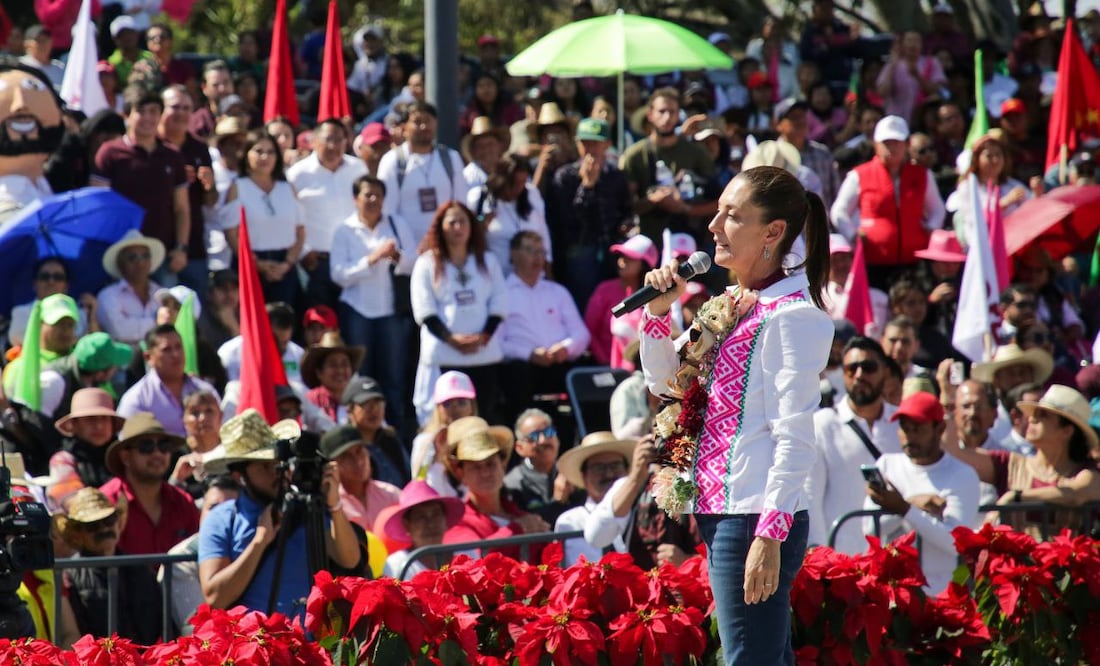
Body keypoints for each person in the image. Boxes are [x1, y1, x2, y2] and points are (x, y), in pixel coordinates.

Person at [639, 165, 832, 665]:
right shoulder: (733, 304)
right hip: (726, 511)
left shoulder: (793, 317)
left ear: (772, 232)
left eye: (732, 215)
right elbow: (664, 383)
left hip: (753, 515)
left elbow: (795, 436)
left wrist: (770, 533)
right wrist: (658, 312)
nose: (713, 226)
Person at [198, 410, 360, 620]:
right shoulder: (221, 519)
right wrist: (260, 541)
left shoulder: (306, 505)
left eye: (277, 462)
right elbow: (214, 597)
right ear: (239, 476)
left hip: (308, 638)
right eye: (264, 466)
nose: (275, 471)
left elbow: (349, 559)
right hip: (254, 638)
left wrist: (334, 505)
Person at [862, 391, 979, 594]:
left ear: (940, 429)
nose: (909, 435)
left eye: (917, 428)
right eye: (904, 428)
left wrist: (904, 508)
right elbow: (871, 530)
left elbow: (954, 542)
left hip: (940, 593)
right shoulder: (886, 464)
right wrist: (912, 504)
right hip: (891, 592)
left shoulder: (963, 474)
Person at [945, 385, 1100, 538]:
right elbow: (953, 452)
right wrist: (947, 406)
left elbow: (1077, 494)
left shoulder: (1086, 473)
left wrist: (1017, 497)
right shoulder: (1009, 464)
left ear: (1067, 431)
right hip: (1014, 556)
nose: (1031, 419)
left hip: (1067, 556)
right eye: (1033, 414)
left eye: (1043, 415)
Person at [330, 175, 416, 428]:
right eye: (367, 194)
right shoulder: (344, 230)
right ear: (355, 199)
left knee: (394, 377)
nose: (373, 200)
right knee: (361, 377)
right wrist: (371, 259)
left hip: (391, 311)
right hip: (358, 311)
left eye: (378, 195)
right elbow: (338, 275)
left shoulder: (396, 224)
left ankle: (395, 433)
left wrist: (396, 256)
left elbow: (414, 264)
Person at [410, 201, 507, 424]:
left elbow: (499, 301)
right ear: (440, 227)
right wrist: (451, 339)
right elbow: (424, 309)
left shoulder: (487, 261)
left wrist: (484, 336)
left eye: (462, 221)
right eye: (452, 222)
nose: (458, 227)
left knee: (483, 419)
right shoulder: (426, 263)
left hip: (483, 355)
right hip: (445, 355)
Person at [806, 336, 902, 552]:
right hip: (842, 559)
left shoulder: (903, 424)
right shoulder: (822, 424)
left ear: (885, 371)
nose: (859, 375)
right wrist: (818, 554)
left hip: (895, 557)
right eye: (851, 369)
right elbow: (810, 496)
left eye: (868, 367)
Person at [830, 115, 945, 288]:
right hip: (873, 261)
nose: (892, 148)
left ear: (907, 144)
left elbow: (937, 209)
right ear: (876, 145)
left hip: (914, 260)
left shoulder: (922, 175)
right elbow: (839, 211)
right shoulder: (859, 175)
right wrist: (853, 235)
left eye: (897, 142)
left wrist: (931, 227)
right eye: (886, 143)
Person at [92, 85, 190, 287]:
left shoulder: (173, 156)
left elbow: (181, 208)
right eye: (141, 111)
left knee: (167, 306)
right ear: (126, 115)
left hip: (162, 256)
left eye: (153, 111)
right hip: (119, 255)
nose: (148, 118)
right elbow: (100, 207)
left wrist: (181, 248)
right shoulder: (109, 153)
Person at [500, 232, 589, 424]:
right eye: (530, 250)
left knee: (584, 376)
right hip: (522, 369)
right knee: (517, 375)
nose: (537, 257)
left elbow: (581, 333)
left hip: (559, 363)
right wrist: (529, 354)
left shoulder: (557, 291)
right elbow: (497, 343)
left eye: (541, 252)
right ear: (514, 254)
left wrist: (566, 348)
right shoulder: (502, 293)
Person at [546, 117, 633, 307]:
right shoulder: (565, 176)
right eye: (585, 143)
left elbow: (626, 210)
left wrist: (625, 224)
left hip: (610, 249)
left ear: (607, 145)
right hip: (579, 251)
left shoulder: (615, 176)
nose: (590, 149)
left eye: (595, 143)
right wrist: (587, 186)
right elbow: (567, 220)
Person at [57, 487, 162, 643]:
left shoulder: (140, 567)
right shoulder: (70, 575)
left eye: (109, 520)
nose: (104, 529)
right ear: (78, 533)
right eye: (93, 525)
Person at [287, 119, 369, 310]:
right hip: (317, 264)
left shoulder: (359, 169)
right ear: (314, 141)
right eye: (328, 139)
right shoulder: (297, 174)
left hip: (354, 259)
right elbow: (289, 219)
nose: (333, 146)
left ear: (346, 142)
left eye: (338, 140)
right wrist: (304, 252)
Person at [442, 416, 550, 561]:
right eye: (475, 467)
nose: (485, 473)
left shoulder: (521, 514)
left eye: (490, 464)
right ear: (460, 473)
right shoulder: (457, 522)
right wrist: (517, 530)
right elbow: (473, 560)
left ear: (503, 466)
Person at [619, 87, 716, 243]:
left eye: (672, 112)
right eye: (662, 111)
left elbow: (717, 202)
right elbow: (625, 205)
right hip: (647, 239)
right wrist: (653, 200)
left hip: (688, 238)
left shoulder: (696, 153)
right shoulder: (634, 155)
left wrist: (685, 208)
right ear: (650, 114)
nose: (667, 117)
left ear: (678, 115)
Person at [221, 130, 305, 305]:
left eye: (270, 152)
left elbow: (300, 231)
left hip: (284, 267)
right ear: (246, 154)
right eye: (259, 151)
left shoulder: (287, 187)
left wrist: (287, 263)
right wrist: (257, 264)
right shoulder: (238, 188)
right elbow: (231, 233)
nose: (265, 157)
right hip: (249, 265)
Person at [100, 411, 199, 555]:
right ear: (125, 457)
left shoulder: (184, 503)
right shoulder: (106, 503)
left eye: (164, 446)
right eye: (146, 446)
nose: (157, 453)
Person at [377, 101, 469, 245]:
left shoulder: (451, 158)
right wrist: (406, 247)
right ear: (404, 128)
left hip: (445, 246)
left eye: (428, 121)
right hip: (406, 249)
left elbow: (461, 205)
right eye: (417, 122)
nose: (424, 126)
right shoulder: (392, 160)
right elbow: (388, 212)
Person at [158, 85, 216, 294]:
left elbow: (210, 201)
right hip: (159, 247)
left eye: (186, 108)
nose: (181, 113)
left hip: (194, 248)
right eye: (175, 107)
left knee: (196, 308)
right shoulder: (153, 145)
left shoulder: (199, 147)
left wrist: (209, 186)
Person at [116, 324, 220, 436]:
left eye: (178, 347)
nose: (175, 354)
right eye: (167, 350)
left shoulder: (206, 390)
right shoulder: (137, 399)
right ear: (148, 357)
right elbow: (126, 439)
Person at [554, 431, 636, 565]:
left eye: (615, 466)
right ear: (584, 476)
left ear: (627, 471)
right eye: (599, 468)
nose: (609, 474)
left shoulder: (640, 510)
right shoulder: (570, 521)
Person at [467, 153, 552, 275]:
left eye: (523, 182)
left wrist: (548, 269)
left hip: (532, 278)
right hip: (497, 276)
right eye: (514, 183)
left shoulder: (531, 194)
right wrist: (482, 223)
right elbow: (471, 239)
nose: (518, 189)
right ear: (501, 178)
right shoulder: (479, 198)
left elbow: (543, 232)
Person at [584, 235, 657, 366]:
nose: (621, 261)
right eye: (621, 256)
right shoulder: (604, 290)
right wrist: (604, 362)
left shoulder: (656, 296)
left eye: (629, 258)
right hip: (606, 368)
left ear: (644, 265)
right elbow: (589, 330)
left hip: (648, 369)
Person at [46, 388, 125, 509]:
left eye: (104, 418)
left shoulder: (125, 456)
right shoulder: (63, 460)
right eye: (90, 419)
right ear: (75, 424)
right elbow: (73, 504)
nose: (99, 426)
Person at [947, 135, 1030, 248]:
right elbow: (974, 219)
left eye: (998, 155)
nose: (995, 160)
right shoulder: (967, 187)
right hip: (984, 247)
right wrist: (1003, 204)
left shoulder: (1012, 184)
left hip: (1016, 244)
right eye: (989, 156)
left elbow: (1031, 208)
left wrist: (1037, 193)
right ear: (977, 159)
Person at [375, 481, 465, 580]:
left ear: (445, 519)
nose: (430, 524)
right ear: (407, 525)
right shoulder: (397, 565)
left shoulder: (465, 554)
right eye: (420, 517)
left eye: (436, 514)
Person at [320, 424, 401, 533]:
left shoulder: (392, 495)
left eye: (359, 451)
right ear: (331, 465)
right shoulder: (329, 505)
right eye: (345, 456)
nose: (357, 461)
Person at [503, 408, 575, 525]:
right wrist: (558, 502)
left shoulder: (572, 474)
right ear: (520, 448)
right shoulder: (512, 485)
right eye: (533, 436)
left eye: (548, 432)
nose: (543, 440)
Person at [95, 230, 165, 345]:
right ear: (120, 263)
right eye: (133, 258)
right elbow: (118, 331)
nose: (140, 263)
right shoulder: (107, 296)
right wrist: (159, 322)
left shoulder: (161, 293)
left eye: (145, 256)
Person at [410, 370, 478, 488]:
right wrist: (435, 455)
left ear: (472, 407)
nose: (455, 408)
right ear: (438, 409)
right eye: (447, 403)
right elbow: (419, 479)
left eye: (462, 402)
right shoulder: (425, 441)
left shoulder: (480, 438)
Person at [341, 375, 410, 488]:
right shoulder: (346, 449)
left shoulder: (391, 441)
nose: (373, 409)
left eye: (378, 402)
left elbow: (409, 476)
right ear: (349, 410)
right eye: (365, 403)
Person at [300, 331, 365, 424]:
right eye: (333, 365)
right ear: (319, 373)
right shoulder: (309, 402)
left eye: (345, 364)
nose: (340, 371)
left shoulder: (360, 401)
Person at [171, 391, 223, 500]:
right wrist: (177, 478)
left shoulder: (232, 452)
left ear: (221, 415)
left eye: (209, 411)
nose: (203, 418)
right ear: (183, 419)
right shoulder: (174, 456)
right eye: (195, 413)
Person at [189, 60, 234, 140]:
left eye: (226, 82)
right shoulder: (197, 122)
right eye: (215, 85)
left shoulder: (250, 116)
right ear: (204, 88)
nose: (222, 89)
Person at [460, 116, 508, 187]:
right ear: (473, 151)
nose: (486, 150)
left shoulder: (510, 172)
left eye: (490, 144)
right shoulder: (466, 179)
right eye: (480, 146)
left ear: (501, 146)